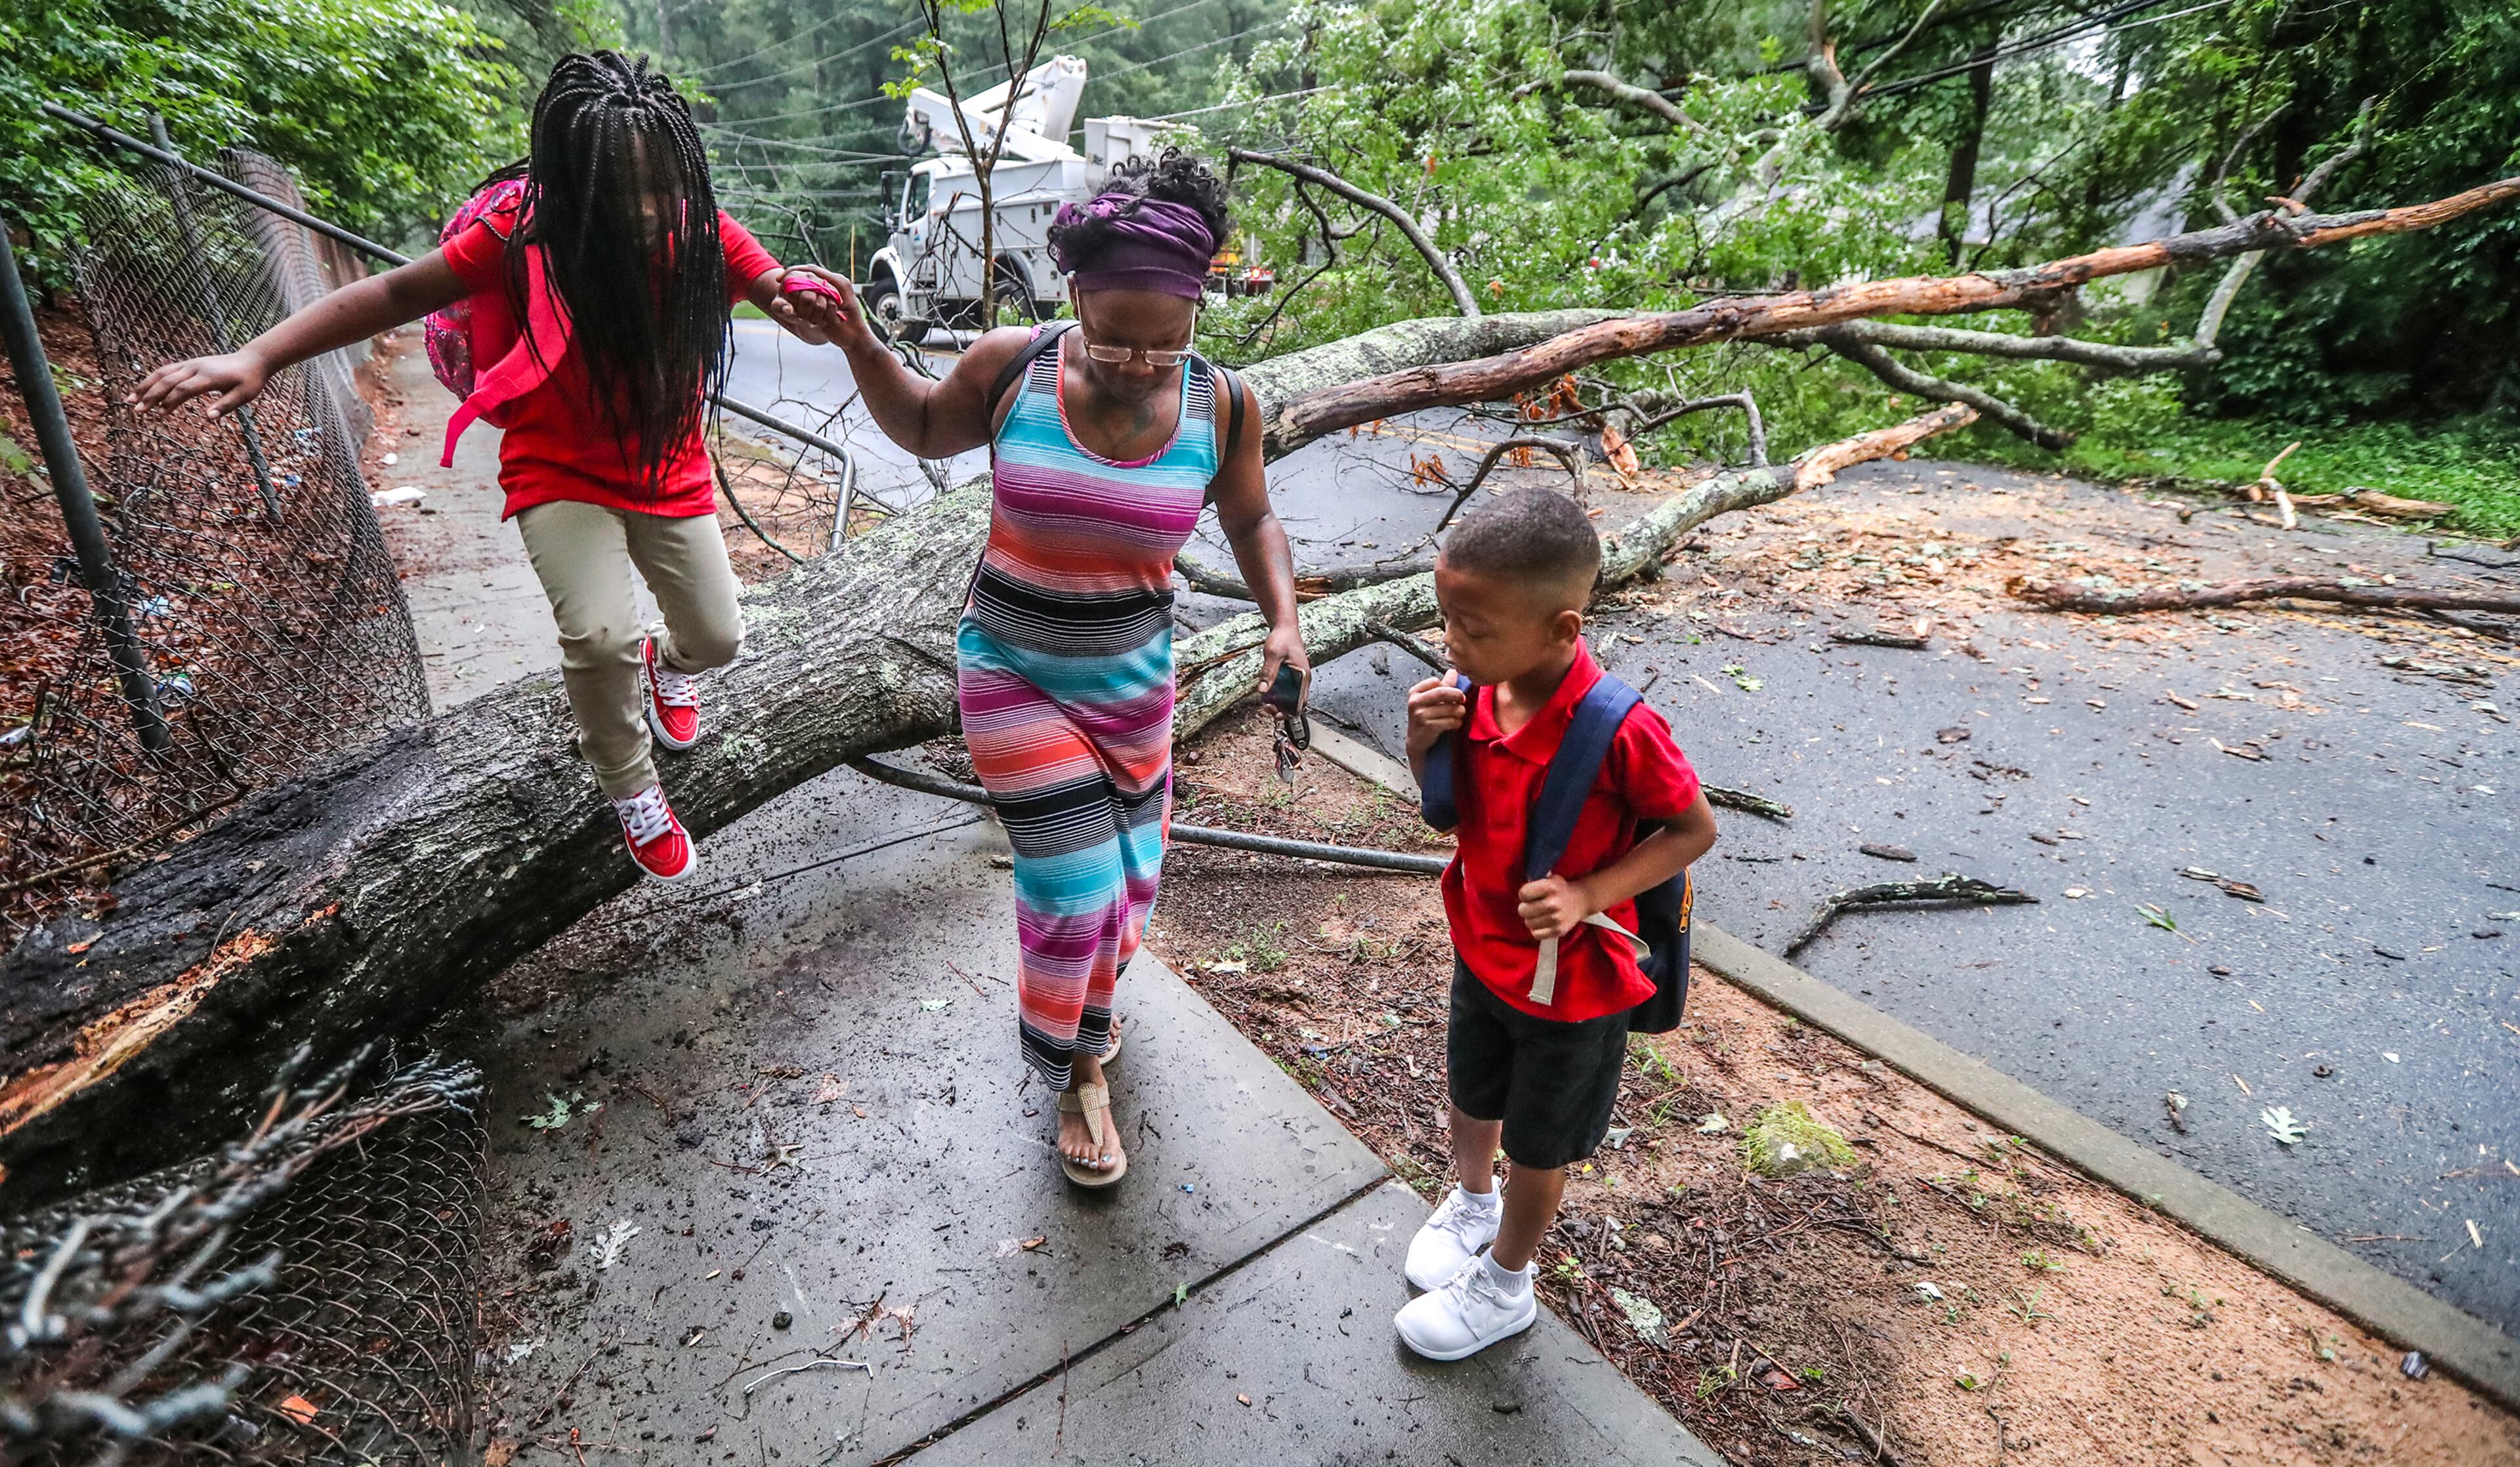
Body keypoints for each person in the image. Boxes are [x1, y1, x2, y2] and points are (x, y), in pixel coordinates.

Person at [127, 51, 837, 882]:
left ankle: (668, 666)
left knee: (717, 638)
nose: (648, 211)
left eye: (662, 186)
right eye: (623, 190)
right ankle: (629, 782)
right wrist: (259, 355)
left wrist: (802, 304)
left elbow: (777, 287)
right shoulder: (521, 234)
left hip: (667, 466)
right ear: (573, 183)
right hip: (556, 467)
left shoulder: (700, 228)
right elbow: (392, 296)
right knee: (600, 635)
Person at [790, 150, 1306, 1188]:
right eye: (1115, 336)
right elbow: (924, 423)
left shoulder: (1225, 405)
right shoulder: (1012, 364)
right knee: (1074, 890)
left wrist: (1284, 623)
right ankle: (1076, 1069)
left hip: (1134, 684)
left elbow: (1249, 515)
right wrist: (858, 341)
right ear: (1073, 293)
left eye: (1167, 341)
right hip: (1012, 671)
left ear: (1201, 305)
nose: (1138, 361)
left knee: (1129, 889)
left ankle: (1090, 1008)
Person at [1394, 486, 1718, 1359]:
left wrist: (1589, 894)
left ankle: (1505, 1284)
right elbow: (1450, 811)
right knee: (1473, 1094)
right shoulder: (1477, 694)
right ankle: (1471, 1201)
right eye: (1447, 621)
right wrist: (1424, 741)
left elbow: (1694, 830)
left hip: (1573, 987)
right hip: (1484, 952)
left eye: (1475, 629)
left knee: (1540, 1145)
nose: (1453, 646)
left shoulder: (1621, 731)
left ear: (1563, 629)